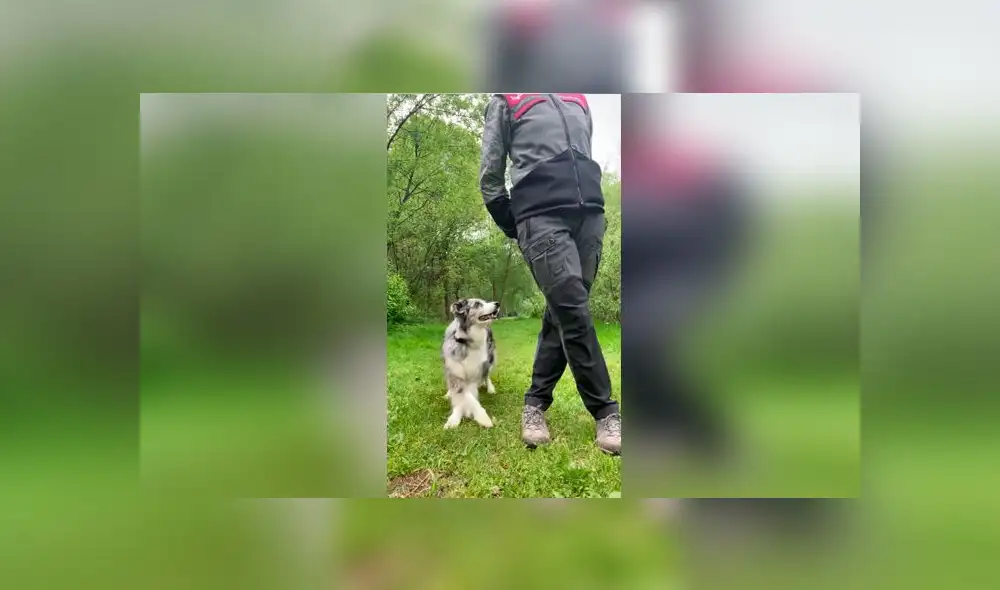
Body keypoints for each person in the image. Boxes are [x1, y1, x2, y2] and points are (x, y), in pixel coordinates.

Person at [479, 93, 621, 455]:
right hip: (540, 218)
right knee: (573, 309)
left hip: (589, 215)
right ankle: (606, 411)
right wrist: (521, 224)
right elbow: (491, 179)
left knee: (562, 312)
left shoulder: (578, 99)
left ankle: (534, 404)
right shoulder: (506, 100)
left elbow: (584, 153)